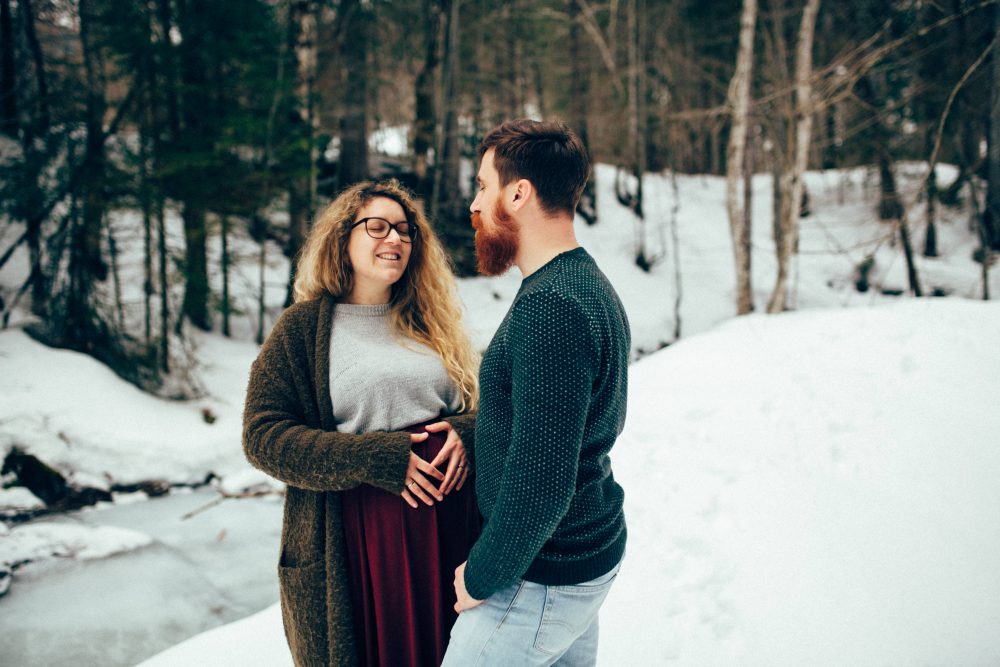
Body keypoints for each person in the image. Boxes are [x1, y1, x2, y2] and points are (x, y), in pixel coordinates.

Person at [243, 179, 481, 667]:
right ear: (342, 238)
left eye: (404, 230)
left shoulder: (432, 322)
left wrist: (466, 433)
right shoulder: (304, 329)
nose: (393, 239)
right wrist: (375, 458)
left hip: (453, 528)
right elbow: (262, 436)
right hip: (364, 539)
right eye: (376, 226)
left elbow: (486, 407)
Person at [443, 119, 631, 666]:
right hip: (580, 559)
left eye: (482, 186)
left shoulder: (552, 307)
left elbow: (542, 480)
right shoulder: (583, 283)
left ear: (518, 193)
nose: (474, 206)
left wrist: (482, 575)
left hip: (538, 579)